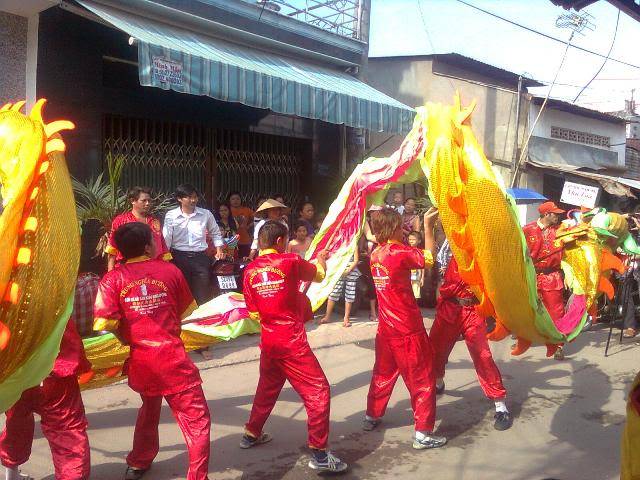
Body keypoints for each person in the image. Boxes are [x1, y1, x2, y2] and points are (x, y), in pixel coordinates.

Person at [93, 222, 210, 480]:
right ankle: (198, 476)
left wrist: (128, 336)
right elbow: (184, 310)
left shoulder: (112, 280)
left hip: (143, 362)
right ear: (148, 245)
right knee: (196, 419)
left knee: (149, 409)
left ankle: (139, 461)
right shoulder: (170, 271)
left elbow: (105, 323)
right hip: (173, 360)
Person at [240, 221, 348, 473]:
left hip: (269, 340)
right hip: (291, 341)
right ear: (279, 242)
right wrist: (321, 258)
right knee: (318, 391)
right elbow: (319, 275)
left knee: (267, 388)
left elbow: (253, 312)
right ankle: (320, 454)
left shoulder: (250, 270)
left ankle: (251, 433)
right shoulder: (289, 261)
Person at [363, 207, 447, 450]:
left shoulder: (376, 254)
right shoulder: (398, 252)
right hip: (407, 328)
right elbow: (429, 259)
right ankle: (422, 433)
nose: (404, 229)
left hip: (386, 327)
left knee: (382, 373)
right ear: (393, 227)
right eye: (401, 225)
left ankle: (372, 415)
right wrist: (429, 228)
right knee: (422, 378)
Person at [0, 318, 92, 480]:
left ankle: (11, 475)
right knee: (67, 435)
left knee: (16, 424)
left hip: (15, 371)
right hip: (55, 369)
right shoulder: (58, 290)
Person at [430, 252, 512, 431]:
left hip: (474, 311)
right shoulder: (453, 242)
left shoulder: (485, 249)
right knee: (435, 352)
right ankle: (438, 383)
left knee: (483, 356)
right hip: (450, 308)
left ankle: (500, 405)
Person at [163, 184, 224, 305]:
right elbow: (167, 237)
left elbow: (215, 233)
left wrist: (219, 250)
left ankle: (202, 320)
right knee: (182, 293)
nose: (193, 200)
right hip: (178, 257)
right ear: (180, 199)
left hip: (200, 258)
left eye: (195, 197)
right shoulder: (171, 215)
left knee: (202, 293)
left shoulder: (206, 214)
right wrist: (164, 257)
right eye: (189, 197)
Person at [522, 201, 566, 360]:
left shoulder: (561, 231)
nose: (558, 216)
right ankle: (524, 340)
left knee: (556, 311)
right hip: (531, 276)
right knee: (528, 311)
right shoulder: (527, 229)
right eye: (555, 213)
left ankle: (558, 345)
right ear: (546, 214)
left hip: (551, 276)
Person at [106, 186, 171, 271]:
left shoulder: (154, 221)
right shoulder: (121, 221)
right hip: (127, 270)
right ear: (133, 201)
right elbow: (112, 248)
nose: (147, 203)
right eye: (144, 201)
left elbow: (162, 246)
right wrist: (110, 272)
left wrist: (167, 270)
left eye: (149, 201)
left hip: (153, 270)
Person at [319, 249, 361, 328]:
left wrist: (348, 270)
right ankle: (327, 316)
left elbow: (356, 260)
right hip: (339, 271)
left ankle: (346, 318)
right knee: (333, 293)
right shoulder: (341, 243)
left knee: (350, 294)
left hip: (351, 271)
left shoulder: (354, 243)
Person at [228, 192, 254, 259]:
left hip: (245, 240)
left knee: (244, 262)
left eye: (237, 199)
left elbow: (256, 219)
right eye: (233, 199)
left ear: (241, 200)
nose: (235, 201)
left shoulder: (247, 210)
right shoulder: (227, 210)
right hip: (231, 241)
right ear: (229, 200)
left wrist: (249, 226)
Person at [407, 231, 424, 299]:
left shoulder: (420, 252)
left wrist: (422, 278)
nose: (411, 241)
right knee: (408, 295)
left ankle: (414, 308)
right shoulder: (406, 251)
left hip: (417, 277)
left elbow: (423, 265)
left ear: (419, 241)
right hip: (408, 277)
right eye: (410, 239)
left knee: (416, 295)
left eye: (413, 240)